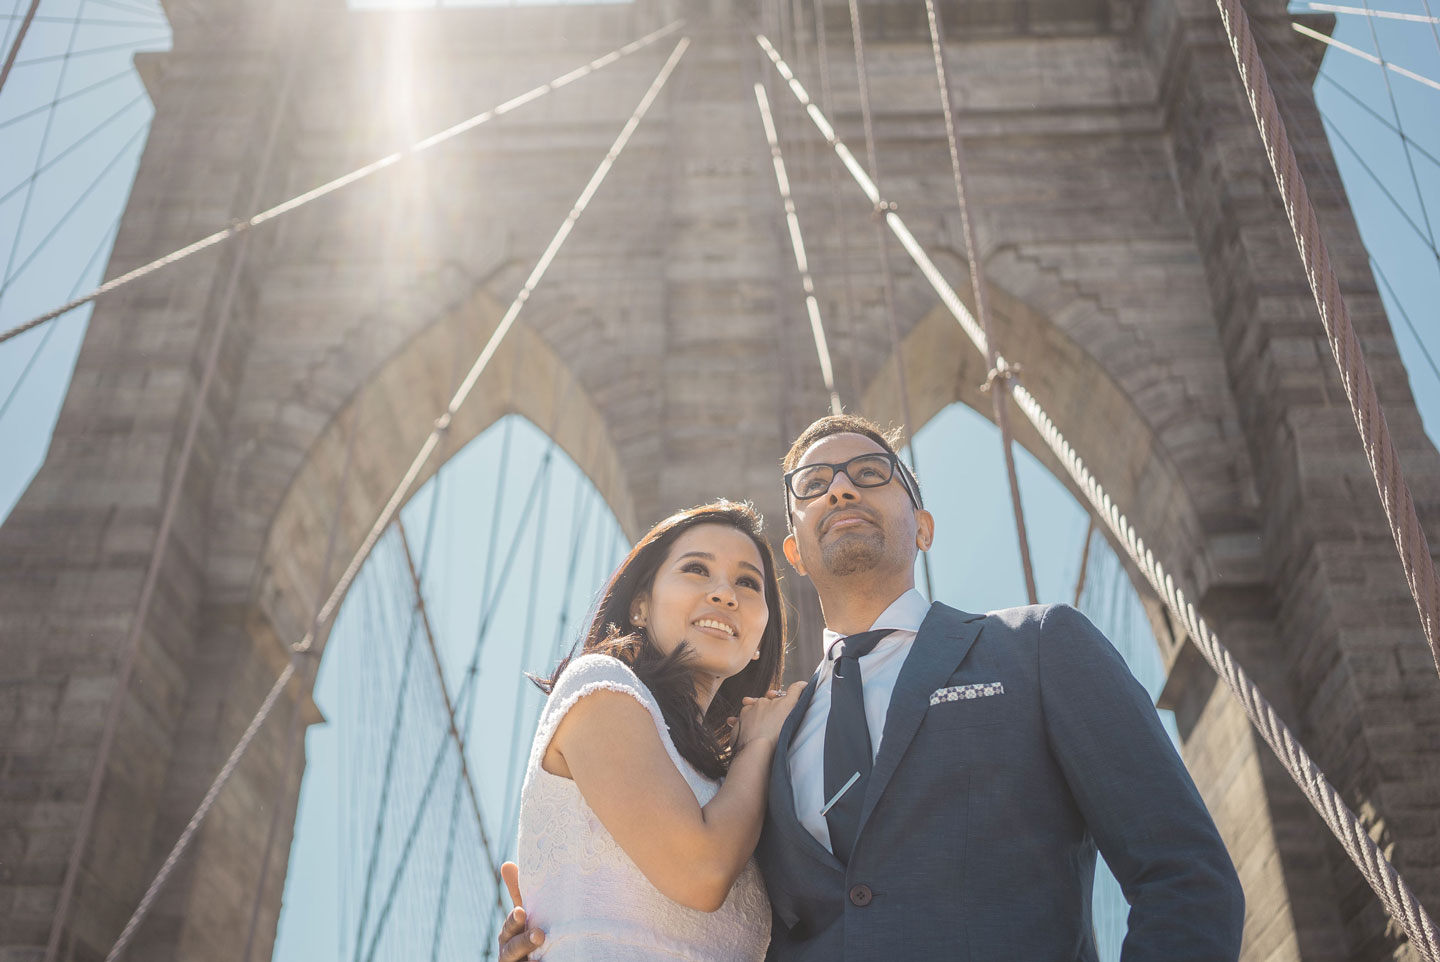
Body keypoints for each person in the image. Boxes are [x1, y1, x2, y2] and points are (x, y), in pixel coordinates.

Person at [501, 414, 1245, 961]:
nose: (841, 490)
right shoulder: (760, 749)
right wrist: (562, 931)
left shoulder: (1038, 648)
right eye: (814, 484)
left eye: (871, 472)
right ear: (795, 551)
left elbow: (1186, 875)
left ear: (922, 525)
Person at [509, 499, 805, 961]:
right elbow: (700, 873)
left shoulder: (738, 786)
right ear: (640, 606)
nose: (725, 594)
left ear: (759, 641)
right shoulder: (600, 689)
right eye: (696, 569)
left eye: (748, 582)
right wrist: (758, 743)